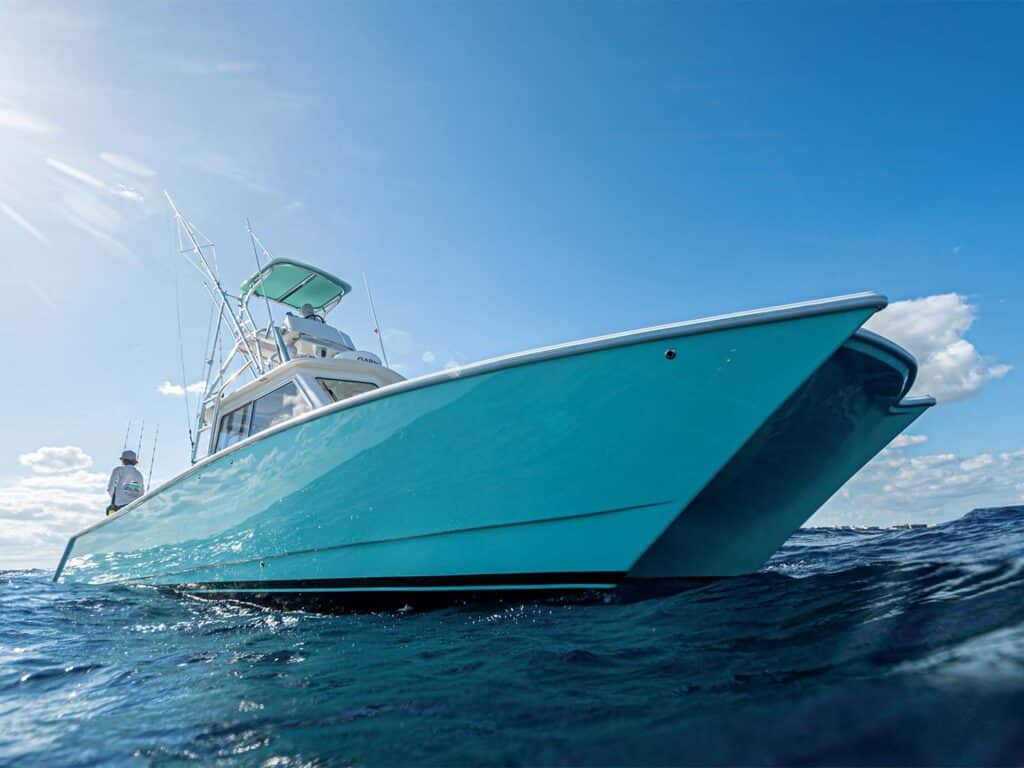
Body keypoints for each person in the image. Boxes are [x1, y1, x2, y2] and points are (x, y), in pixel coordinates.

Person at [106, 450, 145, 516]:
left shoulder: (118, 470)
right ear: (134, 462)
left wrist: (114, 501)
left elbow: (111, 488)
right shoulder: (139, 474)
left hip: (120, 507)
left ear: (123, 460)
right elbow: (141, 492)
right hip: (135, 509)